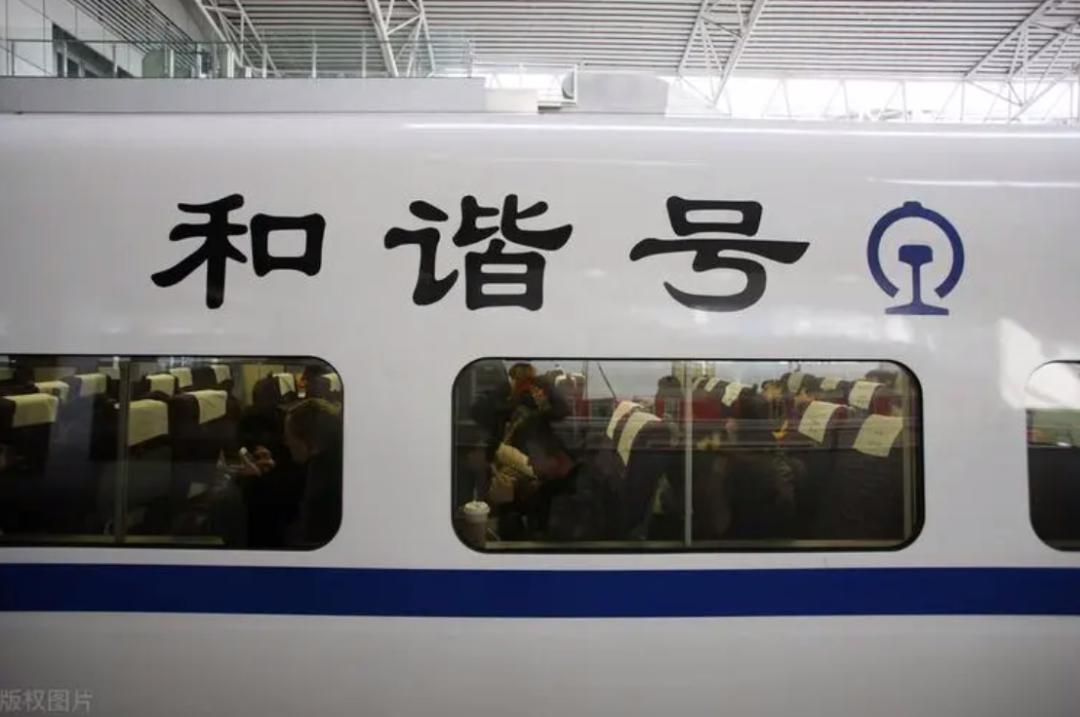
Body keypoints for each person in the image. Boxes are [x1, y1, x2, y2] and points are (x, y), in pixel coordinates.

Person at [284, 398, 343, 546]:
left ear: (307, 440)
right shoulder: (335, 463)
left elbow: (309, 539)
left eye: (289, 437)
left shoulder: (319, 485)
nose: (286, 443)